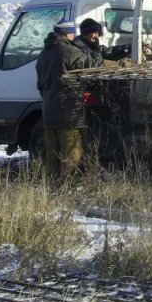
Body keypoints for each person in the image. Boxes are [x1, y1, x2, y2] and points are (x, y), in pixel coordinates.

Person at [36, 19, 92, 181]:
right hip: (68, 113)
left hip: (49, 111)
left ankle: (51, 185)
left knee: (51, 154)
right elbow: (91, 64)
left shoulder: (44, 53)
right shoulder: (68, 50)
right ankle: (68, 186)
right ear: (67, 33)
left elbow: (40, 84)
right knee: (71, 153)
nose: (74, 36)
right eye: (73, 32)